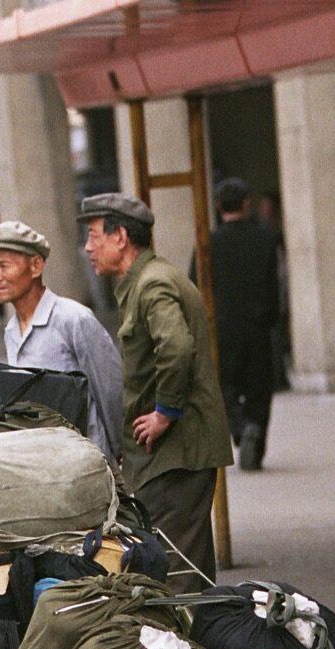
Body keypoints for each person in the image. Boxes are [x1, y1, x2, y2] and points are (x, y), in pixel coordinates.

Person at [79, 193, 232, 589]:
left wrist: (165, 412)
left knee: (176, 569)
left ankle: (185, 647)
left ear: (121, 237)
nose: (88, 248)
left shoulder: (153, 284)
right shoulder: (144, 282)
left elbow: (177, 347)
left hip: (176, 454)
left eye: (95, 236)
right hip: (168, 456)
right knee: (184, 562)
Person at [0, 220, 123, 458]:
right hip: (45, 465)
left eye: (4, 265)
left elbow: (111, 392)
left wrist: (118, 459)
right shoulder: (11, 331)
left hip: (87, 463)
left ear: (36, 266)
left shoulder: (73, 319)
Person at [203, 177, 281, 471]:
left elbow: (198, 284)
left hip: (222, 327)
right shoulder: (265, 238)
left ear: (219, 206)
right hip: (258, 326)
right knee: (260, 389)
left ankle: (240, 426)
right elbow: (274, 286)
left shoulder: (209, 242)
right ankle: (256, 446)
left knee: (223, 386)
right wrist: (272, 319)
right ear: (246, 204)